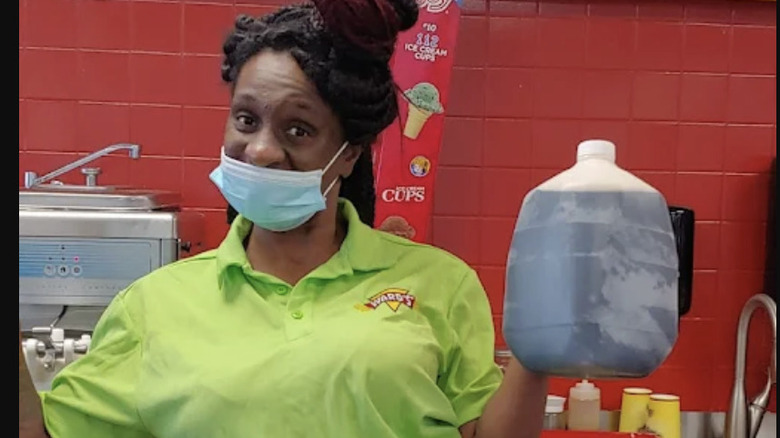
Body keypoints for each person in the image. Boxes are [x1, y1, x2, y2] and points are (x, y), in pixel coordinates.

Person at [18, 1, 548, 437]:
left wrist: (537, 350)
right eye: (246, 120)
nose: (262, 150)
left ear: (349, 154)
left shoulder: (438, 283)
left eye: (298, 130)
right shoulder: (154, 305)